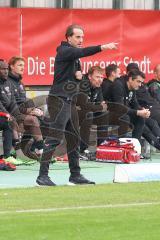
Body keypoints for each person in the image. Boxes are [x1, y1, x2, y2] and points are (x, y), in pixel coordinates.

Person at [36, 24, 118, 186]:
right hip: (58, 100)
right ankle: (42, 176)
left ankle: (75, 175)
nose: (81, 40)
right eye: (78, 37)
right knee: (54, 139)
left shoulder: (74, 58)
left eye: (82, 37)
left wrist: (77, 78)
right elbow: (82, 52)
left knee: (74, 139)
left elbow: (72, 82)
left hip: (70, 101)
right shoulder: (64, 51)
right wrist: (103, 47)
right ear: (68, 38)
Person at [8, 56, 44, 159]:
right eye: (20, 65)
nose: (23, 67)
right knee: (32, 120)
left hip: (21, 112)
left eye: (23, 65)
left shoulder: (20, 83)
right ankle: (40, 150)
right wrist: (30, 111)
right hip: (12, 114)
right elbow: (11, 104)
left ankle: (32, 150)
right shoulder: (7, 82)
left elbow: (23, 102)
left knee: (44, 119)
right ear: (11, 67)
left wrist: (36, 109)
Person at [110, 69, 150, 141]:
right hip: (109, 112)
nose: (140, 85)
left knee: (140, 118)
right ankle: (122, 145)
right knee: (125, 118)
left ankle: (134, 144)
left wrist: (143, 111)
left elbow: (135, 104)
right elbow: (120, 108)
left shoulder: (133, 87)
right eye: (138, 81)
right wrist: (137, 112)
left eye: (141, 82)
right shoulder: (118, 85)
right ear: (131, 79)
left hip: (121, 113)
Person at [76, 66, 108, 155]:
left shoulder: (98, 86)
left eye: (102, 77)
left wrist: (98, 107)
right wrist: (99, 106)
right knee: (88, 114)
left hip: (86, 111)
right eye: (97, 77)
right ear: (90, 76)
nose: (100, 80)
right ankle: (83, 149)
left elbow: (102, 104)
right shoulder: (83, 84)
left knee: (104, 114)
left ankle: (102, 148)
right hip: (72, 112)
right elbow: (84, 105)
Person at [0, 60, 24, 165]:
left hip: (5, 115)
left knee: (24, 119)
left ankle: (34, 151)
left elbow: (13, 102)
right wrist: (7, 114)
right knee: (8, 122)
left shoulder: (8, 83)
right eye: (3, 69)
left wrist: (16, 114)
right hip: (2, 115)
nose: (6, 71)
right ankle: (7, 156)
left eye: (6, 69)